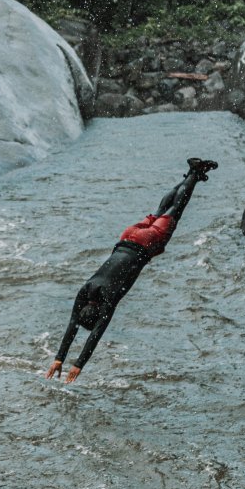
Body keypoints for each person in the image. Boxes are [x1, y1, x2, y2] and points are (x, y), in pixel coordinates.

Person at [45, 157, 218, 383]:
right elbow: (71, 326)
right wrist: (59, 359)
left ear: (98, 314)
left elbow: (95, 335)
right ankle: (191, 173)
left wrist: (78, 365)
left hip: (147, 244)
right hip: (127, 236)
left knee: (176, 209)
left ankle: (194, 174)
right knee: (160, 210)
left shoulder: (109, 299)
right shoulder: (85, 290)